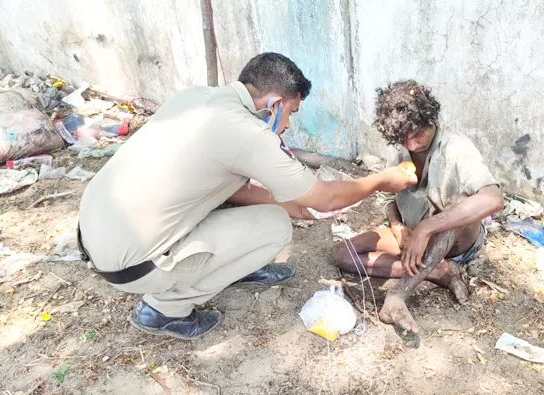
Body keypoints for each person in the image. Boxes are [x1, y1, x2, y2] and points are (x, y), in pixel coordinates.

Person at [77, 53, 416, 340]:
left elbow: (232, 188)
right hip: (134, 265)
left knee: (276, 215)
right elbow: (325, 197)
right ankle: (164, 310)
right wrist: (380, 181)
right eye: (291, 113)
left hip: (95, 236)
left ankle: (239, 263)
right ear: (274, 104)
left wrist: (299, 208)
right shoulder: (248, 134)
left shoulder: (195, 97)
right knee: (275, 227)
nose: (287, 126)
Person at [331, 80, 504, 305]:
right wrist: (397, 226)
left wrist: (427, 227)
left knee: (459, 204)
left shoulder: (456, 147)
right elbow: (388, 198)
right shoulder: (400, 149)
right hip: (415, 238)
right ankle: (437, 272)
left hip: (456, 242)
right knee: (342, 254)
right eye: (404, 138)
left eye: (417, 134)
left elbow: (494, 198)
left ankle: (399, 293)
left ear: (428, 118)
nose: (411, 145)